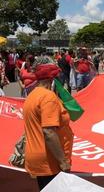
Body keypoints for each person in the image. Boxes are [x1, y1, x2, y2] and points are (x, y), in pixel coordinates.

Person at [23, 56, 74, 191]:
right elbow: (49, 132)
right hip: (50, 162)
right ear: (52, 79)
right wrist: (63, 162)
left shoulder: (33, 95)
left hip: (39, 159)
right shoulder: (48, 97)